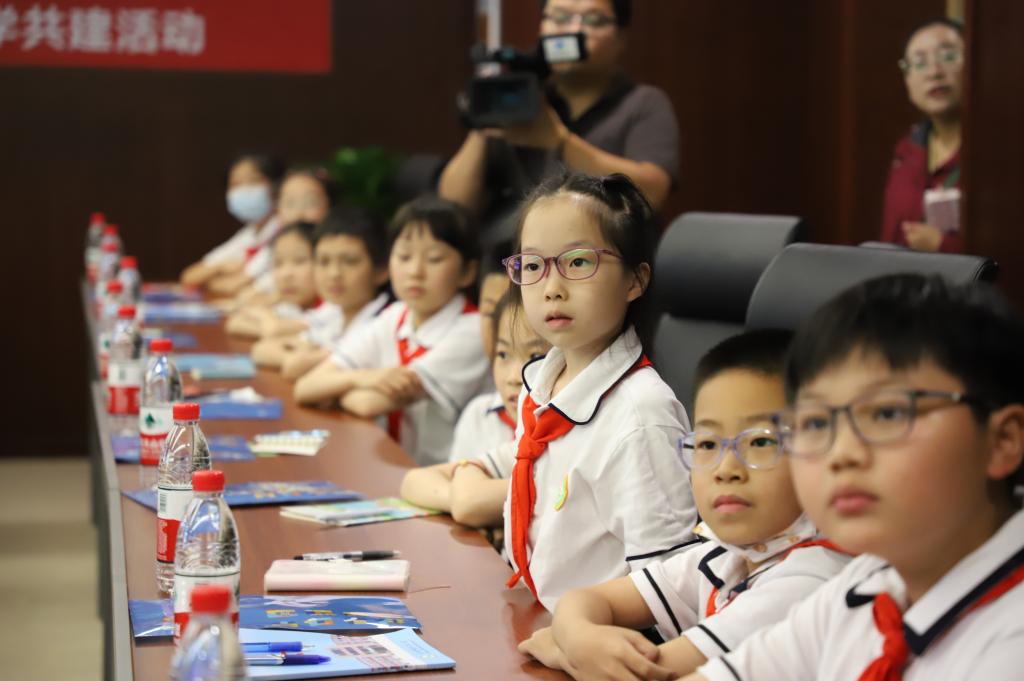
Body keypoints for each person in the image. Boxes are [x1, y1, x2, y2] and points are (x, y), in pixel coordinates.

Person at [682, 274, 1024, 681]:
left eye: (887, 414)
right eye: (816, 423)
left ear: (1002, 440)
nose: (841, 453)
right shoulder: (872, 579)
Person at [518, 329, 852, 680]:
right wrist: (578, 637)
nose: (726, 469)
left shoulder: (809, 577)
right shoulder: (726, 556)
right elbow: (583, 601)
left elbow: (651, 674)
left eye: (760, 443)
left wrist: (565, 650)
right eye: (707, 445)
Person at [460, 172, 697, 612]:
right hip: (530, 612)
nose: (552, 289)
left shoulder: (641, 413)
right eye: (533, 266)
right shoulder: (541, 385)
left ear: (634, 280)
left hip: (595, 636)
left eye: (579, 262)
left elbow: (669, 583)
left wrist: (576, 630)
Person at [439, 0, 680, 259]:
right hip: (514, 262)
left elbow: (651, 194)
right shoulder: (522, 95)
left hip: (601, 260)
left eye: (593, 20)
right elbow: (454, 206)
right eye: (559, 17)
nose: (572, 30)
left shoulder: (643, 103)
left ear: (621, 38)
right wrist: (486, 115)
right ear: (542, 28)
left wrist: (560, 142)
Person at [294, 196, 490, 466]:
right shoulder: (395, 317)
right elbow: (306, 387)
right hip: (389, 467)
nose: (415, 271)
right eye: (404, 257)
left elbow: (368, 404)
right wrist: (367, 377)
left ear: (468, 271)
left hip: (444, 477)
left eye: (434, 259)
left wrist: (339, 389)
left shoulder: (472, 329)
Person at [399, 289, 550, 527]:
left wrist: (477, 504)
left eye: (535, 356)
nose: (514, 377)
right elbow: (414, 482)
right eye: (503, 354)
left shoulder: (559, 440)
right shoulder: (480, 413)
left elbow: (469, 503)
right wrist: (469, 503)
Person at [251, 206, 390, 378]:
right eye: (324, 262)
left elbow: (295, 368)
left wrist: (304, 357)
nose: (334, 273)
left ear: (381, 270)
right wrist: (301, 357)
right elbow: (261, 349)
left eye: (349, 262)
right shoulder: (337, 315)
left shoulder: (384, 322)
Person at [880, 18, 964, 253]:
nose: (935, 72)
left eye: (948, 56)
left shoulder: (1002, 151)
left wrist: (944, 246)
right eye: (920, 63)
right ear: (907, 79)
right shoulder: (908, 149)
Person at [180, 152, 284, 292]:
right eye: (236, 184)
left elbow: (235, 287)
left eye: (254, 181)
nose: (244, 189)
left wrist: (211, 281)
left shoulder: (283, 230)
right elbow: (189, 277)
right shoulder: (249, 234)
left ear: (277, 187)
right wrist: (219, 268)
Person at [224, 222, 318, 338]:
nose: (286, 274)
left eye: (299, 261)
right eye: (278, 263)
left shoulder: (329, 309)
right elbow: (235, 323)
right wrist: (269, 324)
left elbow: (274, 329)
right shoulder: (290, 304)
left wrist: (263, 316)